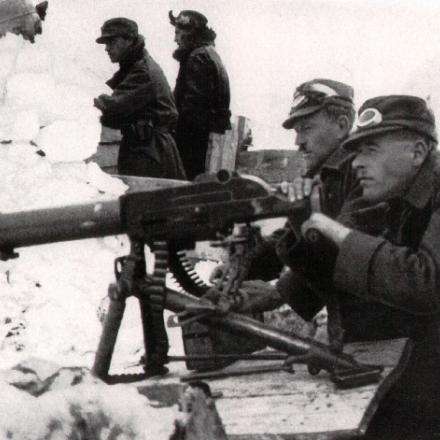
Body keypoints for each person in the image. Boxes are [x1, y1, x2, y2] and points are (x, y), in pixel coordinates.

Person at [297, 95, 440, 434]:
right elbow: (344, 267)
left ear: (417, 153)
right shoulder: (391, 195)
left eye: (370, 150)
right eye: (356, 151)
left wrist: (337, 233)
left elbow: (427, 282)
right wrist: (296, 226)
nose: (357, 163)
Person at [220, 80, 386, 343]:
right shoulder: (323, 175)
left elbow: (347, 251)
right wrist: (244, 265)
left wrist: (279, 293)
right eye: (296, 131)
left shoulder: (364, 174)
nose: (298, 141)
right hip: (351, 327)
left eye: (306, 129)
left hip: (381, 332)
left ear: (342, 125)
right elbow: (292, 237)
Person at [94, 17, 186, 179]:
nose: (107, 48)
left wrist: (79, 99)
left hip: (150, 152)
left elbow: (113, 108)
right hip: (146, 148)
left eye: (111, 42)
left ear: (129, 40)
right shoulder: (135, 66)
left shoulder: (142, 71)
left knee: (146, 202)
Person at [169, 10, 231, 180]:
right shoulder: (210, 53)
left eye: (178, 33)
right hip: (209, 142)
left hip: (194, 146)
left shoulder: (197, 57)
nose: (175, 39)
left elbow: (192, 111)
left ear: (190, 33)